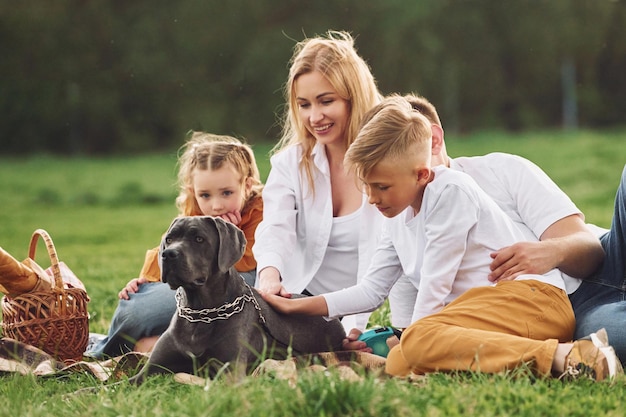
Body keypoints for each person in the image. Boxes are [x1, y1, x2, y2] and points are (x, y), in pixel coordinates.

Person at [261, 95, 622, 381]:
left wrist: (413, 338)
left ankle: (561, 356)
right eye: (367, 186)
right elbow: (373, 290)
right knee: (405, 358)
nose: (371, 198)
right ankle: (542, 355)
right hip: (492, 311)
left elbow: (435, 283)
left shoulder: (452, 189)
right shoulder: (395, 215)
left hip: (535, 298)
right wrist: (300, 305)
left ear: (420, 171)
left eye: (380, 186)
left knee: (414, 346)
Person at [86, 132, 264, 358]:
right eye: (205, 195)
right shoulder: (197, 214)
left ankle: (136, 348)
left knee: (142, 313)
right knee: (135, 304)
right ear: (193, 192)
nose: (216, 205)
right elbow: (169, 248)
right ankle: (124, 346)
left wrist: (227, 237)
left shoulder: (261, 210)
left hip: (244, 290)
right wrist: (146, 280)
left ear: (247, 186)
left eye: (227, 193)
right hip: (201, 290)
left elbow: (245, 260)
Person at [252, 30, 385, 331]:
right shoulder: (290, 163)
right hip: (290, 292)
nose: (314, 117)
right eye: (304, 104)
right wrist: (270, 277)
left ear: (354, 98)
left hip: (350, 308)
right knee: (158, 311)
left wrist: (355, 326)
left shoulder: (389, 166)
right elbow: (275, 228)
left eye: (326, 101)